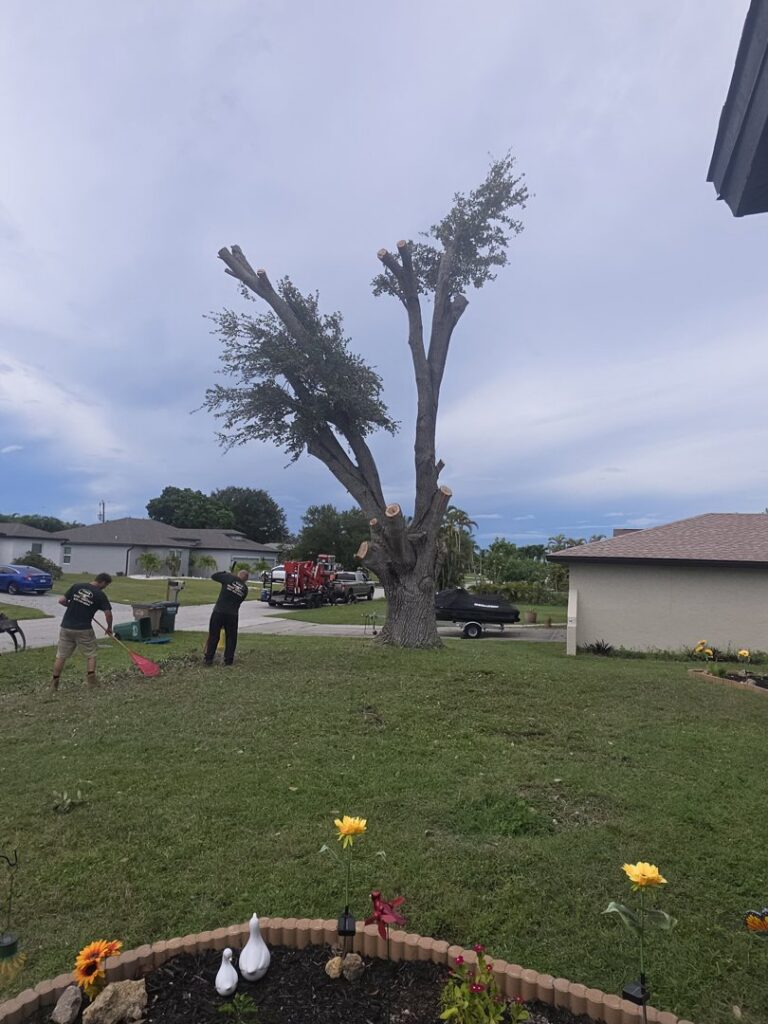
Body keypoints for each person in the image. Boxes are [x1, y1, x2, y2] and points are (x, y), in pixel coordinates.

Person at [52, 573, 113, 690]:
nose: (105, 587)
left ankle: (54, 683)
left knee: (61, 656)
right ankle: (91, 682)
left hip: (66, 627)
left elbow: (61, 600)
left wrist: (71, 605)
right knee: (91, 654)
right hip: (83, 629)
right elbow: (108, 613)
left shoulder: (76, 586)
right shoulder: (100, 594)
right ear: (103, 582)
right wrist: (109, 627)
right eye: (106, 585)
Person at [204, 569, 250, 666]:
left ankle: (208, 659)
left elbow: (214, 576)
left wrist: (225, 573)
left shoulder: (229, 578)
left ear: (238, 574)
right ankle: (228, 660)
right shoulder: (245, 589)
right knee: (231, 638)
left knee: (213, 635)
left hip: (218, 612)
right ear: (246, 580)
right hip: (232, 615)